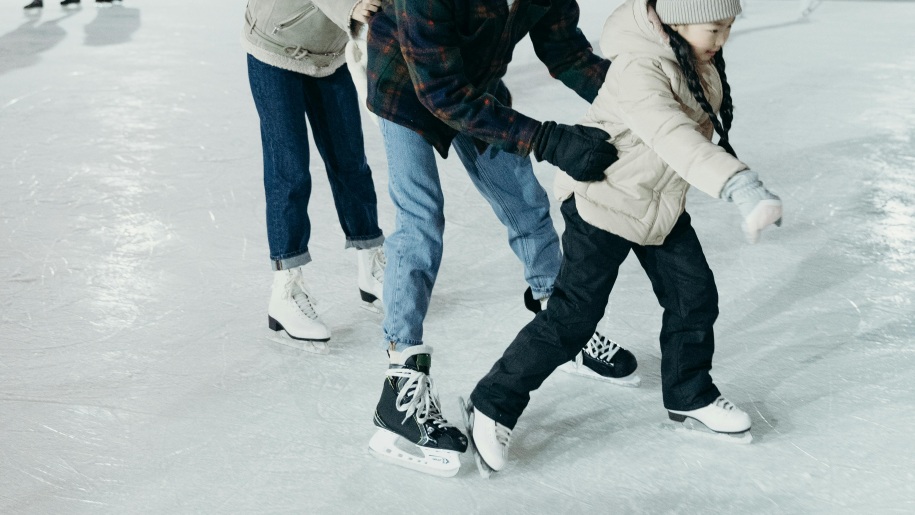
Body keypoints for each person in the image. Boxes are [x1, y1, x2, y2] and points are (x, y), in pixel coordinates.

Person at [466, 0, 784, 474]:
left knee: (693, 295)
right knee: (574, 316)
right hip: (605, 201)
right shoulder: (641, 65)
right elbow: (672, 133)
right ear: (674, 18)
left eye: (729, 28)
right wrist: (740, 186)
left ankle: (689, 394)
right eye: (715, 27)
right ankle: (492, 404)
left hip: (656, 204)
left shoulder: (694, 55)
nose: (722, 39)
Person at [362, 0, 641, 477]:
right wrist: (547, 139)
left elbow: (568, 53)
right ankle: (400, 386)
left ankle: (563, 325)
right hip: (408, 87)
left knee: (527, 205)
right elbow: (442, 93)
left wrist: (646, 97)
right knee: (420, 221)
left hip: (476, 86)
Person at [242, 0, 385, 354]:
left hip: (328, 54)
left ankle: (372, 265)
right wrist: (353, 5)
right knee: (288, 170)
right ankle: (285, 288)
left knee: (351, 161)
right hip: (275, 47)